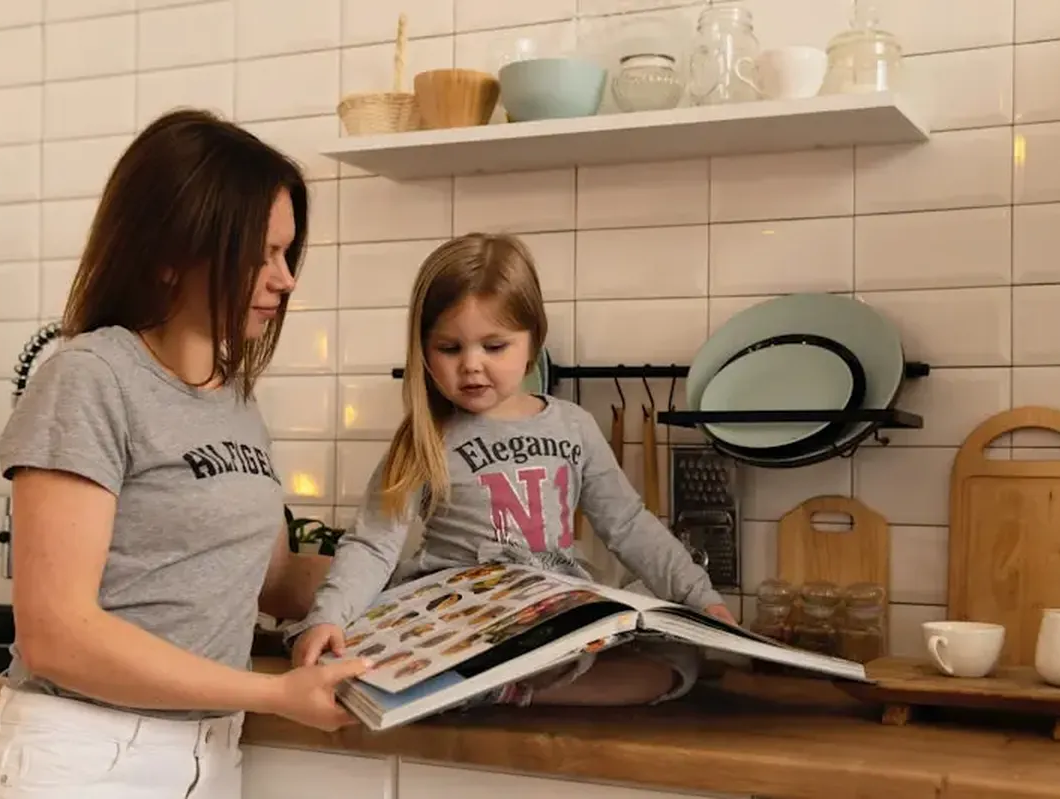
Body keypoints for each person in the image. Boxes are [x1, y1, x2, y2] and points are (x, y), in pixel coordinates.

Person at [0, 108, 368, 799]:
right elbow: (57, 634)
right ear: (175, 251)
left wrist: (412, 577)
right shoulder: (90, 377)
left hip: (205, 756)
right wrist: (272, 692)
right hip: (83, 757)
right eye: (261, 254)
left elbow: (264, 579)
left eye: (286, 254)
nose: (285, 279)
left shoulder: (235, 399)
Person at [289, 233, 734, 708]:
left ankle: (498, 690)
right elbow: (374, 543)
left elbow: (628, 526)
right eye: (449, 347)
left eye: (495, 346)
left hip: (550, 612)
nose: (472, 366)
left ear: (532, 343)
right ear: (423, 350)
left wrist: (700, 599)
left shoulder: (574, 426)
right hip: (459, 615)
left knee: (677, 663)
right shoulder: (424, 435)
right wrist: (327, 617)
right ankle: (490, 686)